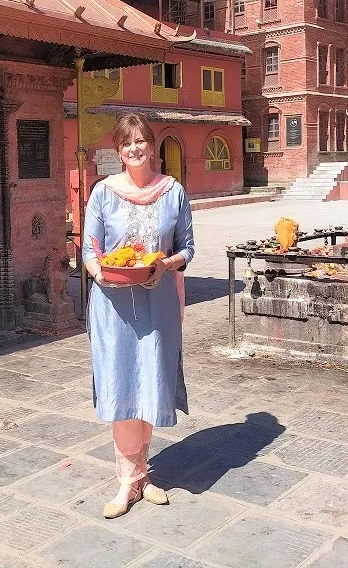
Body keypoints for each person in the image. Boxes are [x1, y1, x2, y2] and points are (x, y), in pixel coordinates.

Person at [82, 113, 194, 519]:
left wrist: (165, 265)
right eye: (127, 143)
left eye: (141, 141)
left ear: (152, 145)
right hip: (113, 307)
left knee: (150, 382)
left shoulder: (173, 191)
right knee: (121, 384)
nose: (135, 149)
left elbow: (187, 248)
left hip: (158, 303)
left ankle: (141, 475)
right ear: (118, 150)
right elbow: (90, 250)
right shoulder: (103, 193)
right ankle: (127, 480)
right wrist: (102, 273)